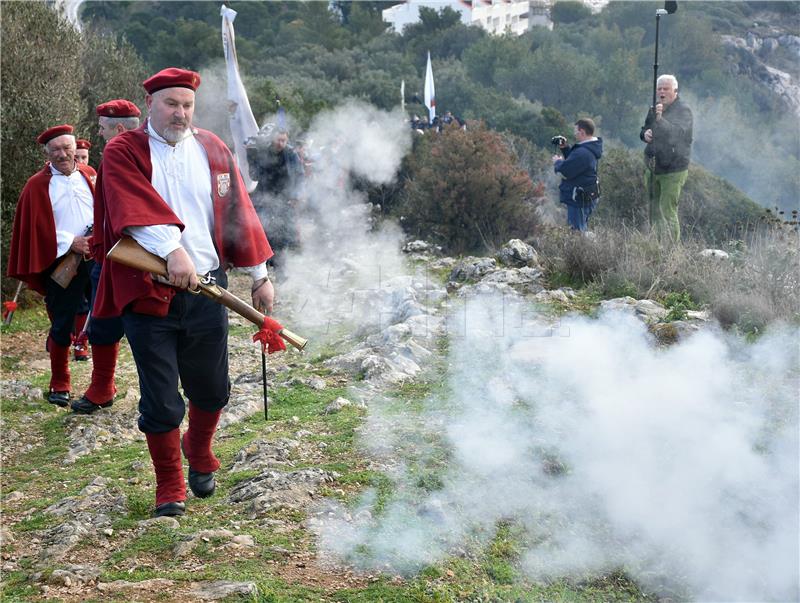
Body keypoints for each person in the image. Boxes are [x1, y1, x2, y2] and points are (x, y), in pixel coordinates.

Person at [93, 68, 275, 518]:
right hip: (146, 293)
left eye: (187, 105)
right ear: (151, 104)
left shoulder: (213, 148)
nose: (180, 113)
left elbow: (239, 214)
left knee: (212, 389)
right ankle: (170, 484)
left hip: (208, 290)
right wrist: (173, 251)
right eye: (171, 104)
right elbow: (129, 210)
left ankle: (198, 444)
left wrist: (259, 274)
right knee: (161, 398)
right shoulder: (123, 150)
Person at [6, 125, 116, 411]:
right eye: (56, 150)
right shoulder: (37, 185)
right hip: (63, 261)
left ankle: (103, 384)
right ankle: (60, 382)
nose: (64, 154)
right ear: (48, 154)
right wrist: (72, 242)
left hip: (99, 257)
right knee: (61, 323)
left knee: (104, 319)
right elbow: (36, 229)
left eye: (67, 148)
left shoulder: (89, 175)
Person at [68, 99, 143, 414]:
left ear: (120, 128)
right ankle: (102, 387)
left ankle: (157, 395)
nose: (98, 134)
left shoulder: (147, 160)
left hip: (139, 258)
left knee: (149, 328)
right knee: (102, 322)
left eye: (101, 128)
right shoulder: (113, 158)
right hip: (107, 257)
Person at [640, 74, 693, 242]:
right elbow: (645, 128)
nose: (662, 92)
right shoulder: (654, 108)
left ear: (675, 91)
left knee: (667, 210)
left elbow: (678, 134)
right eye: (659, 89)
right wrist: (645, 134)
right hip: (653, 166)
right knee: (654, 210)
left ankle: (670, 251)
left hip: (673, 169)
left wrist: (660, 119)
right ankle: (656, 244)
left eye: (666, 89)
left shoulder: (684, 110)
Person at [246, 127, 303, 266]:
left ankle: (280, 263)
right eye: (279, 140)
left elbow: (299, 175)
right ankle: (265, 261)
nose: (281, 143)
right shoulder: (263, 152)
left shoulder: (291, 154)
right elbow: (254, 175)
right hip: (265, 196)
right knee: (264, 229)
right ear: (273, 138)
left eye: (284, 140)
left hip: (285, 197)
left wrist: (296, 194)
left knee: (283, 231)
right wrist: (251, 157)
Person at [552, 118, 603, 232]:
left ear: (582, 132)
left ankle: (580, 249)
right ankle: (584, 248)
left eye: (576, 131)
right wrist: (565, 148)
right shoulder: (591, 148)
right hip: (587, 195)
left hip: (579, 199)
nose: (574, 134)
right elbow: (577, 163)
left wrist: (557, 162)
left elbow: (567, 170)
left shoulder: (583, 152)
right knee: (581, 228)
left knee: (576, 232)